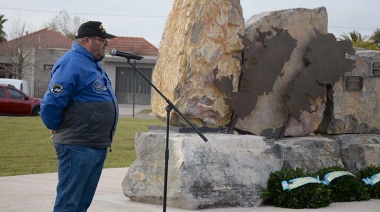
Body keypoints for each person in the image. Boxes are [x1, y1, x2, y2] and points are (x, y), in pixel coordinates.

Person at [40, 21, 119, 212]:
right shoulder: (71, 63)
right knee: (68, 203)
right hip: (77, 145)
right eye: (101, 40)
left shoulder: (93, 64)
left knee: (82, 203)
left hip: (96, 144)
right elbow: (51, 102)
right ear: (86, 40)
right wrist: (55, 125)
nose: (106, 44)